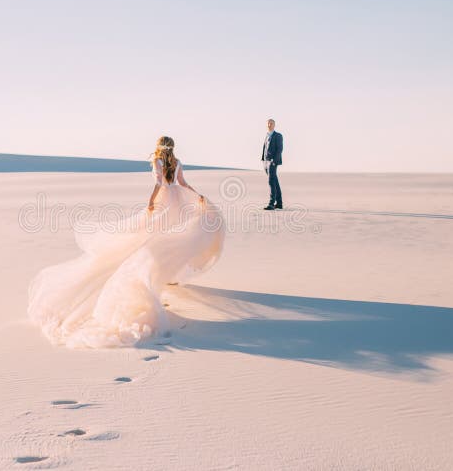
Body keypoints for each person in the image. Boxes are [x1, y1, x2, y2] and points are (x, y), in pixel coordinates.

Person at [27, 136, 225, 348]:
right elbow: (183, 183)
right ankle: (160, 276)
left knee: (152, 238)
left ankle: (153, 277)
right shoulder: (177, 162)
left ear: (159, 146)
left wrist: (150, 203)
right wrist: (198, 196)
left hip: (164, 200)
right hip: (177, 200)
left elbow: (159, 183)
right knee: (167, 238)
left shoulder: (158, 161)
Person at [261, 118, 283, 210]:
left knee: (271, 182)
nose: (269, 125)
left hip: (272, 162)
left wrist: (274, 161)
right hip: (266, 161)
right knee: (275, 182)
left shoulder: (278, 135)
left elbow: (280, 149)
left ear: (274, 125)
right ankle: (279, 203)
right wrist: (263, 159)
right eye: (268, 123)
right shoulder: (267, 135)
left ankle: (271, 203)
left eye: (271, 123)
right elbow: (265, 148)